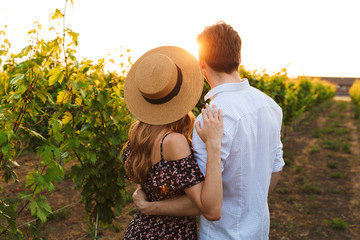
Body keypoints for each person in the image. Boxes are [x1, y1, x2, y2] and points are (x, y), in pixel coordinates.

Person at [132, 21, 285, 239]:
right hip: (259, 231)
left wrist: (149, 206)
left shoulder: (211, 118)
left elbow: (202, 199)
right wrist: (252, 200)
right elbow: (276, 168)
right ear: (239, 58)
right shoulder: (271, 106)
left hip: (222, 234)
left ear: (202, 63)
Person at [121, 46, 224, 240]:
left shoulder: (137, 135)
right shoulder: (173, 142)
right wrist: (213, 143)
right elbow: (204, 205)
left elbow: (148, 186)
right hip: (169, 234)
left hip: (140, 230)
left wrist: (146, 203)